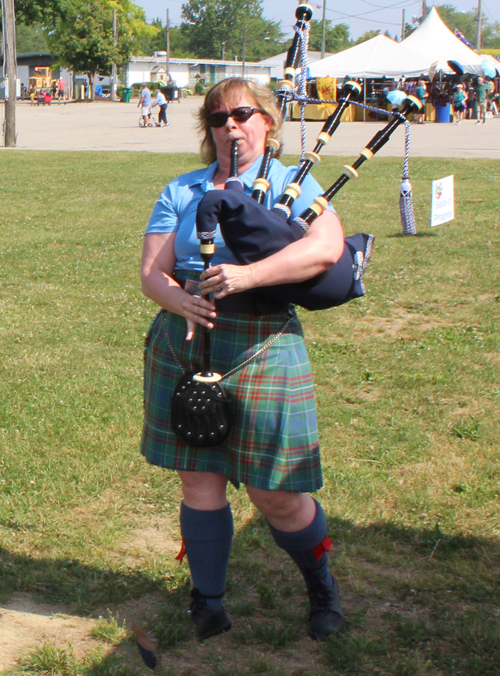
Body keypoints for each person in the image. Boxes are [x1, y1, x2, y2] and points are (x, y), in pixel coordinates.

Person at [139, 77, 346, 656]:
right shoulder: (180, 190)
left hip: (264, 339)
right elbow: (152, 269)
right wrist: (175, 297)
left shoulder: (293, 185)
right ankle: (207, 601)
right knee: (199, 479)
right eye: (218, 117)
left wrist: (249, 275)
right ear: (208, 129)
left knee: (273, 492)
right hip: (187, 340)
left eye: (243, 114)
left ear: (267, 123)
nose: (231, 125)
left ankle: (321, 586)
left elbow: (325, 249)